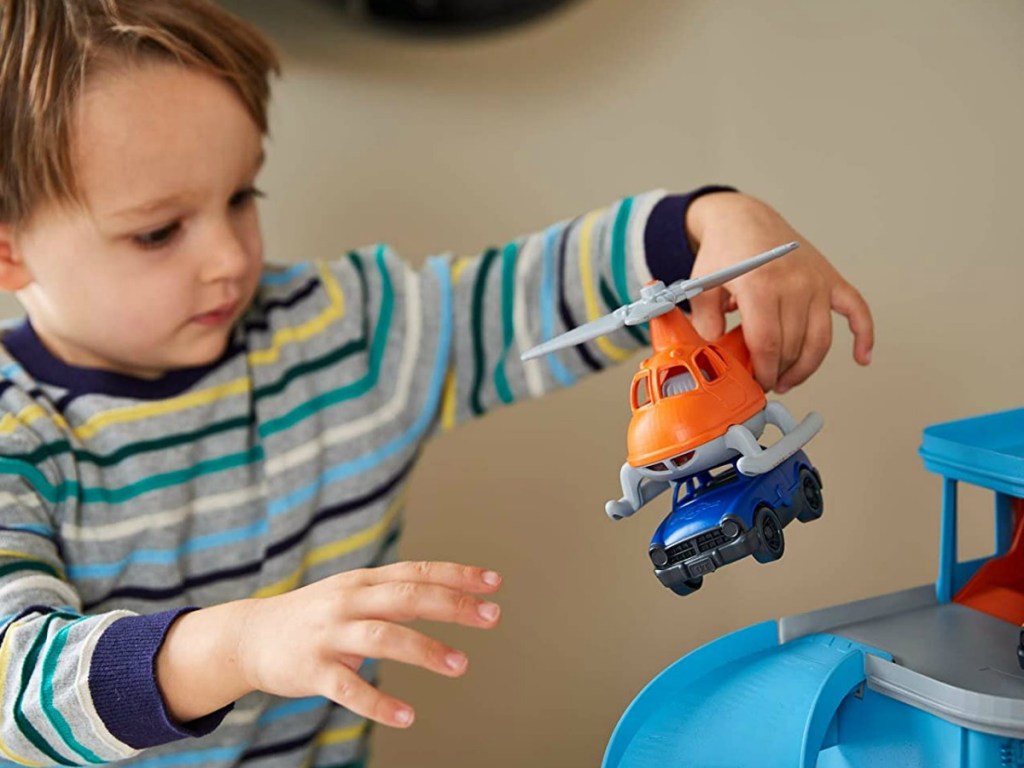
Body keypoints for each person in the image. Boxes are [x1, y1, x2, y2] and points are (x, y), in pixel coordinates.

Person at [0, 1, 873, 766]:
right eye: (158, 233)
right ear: (9, 251)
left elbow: (534, 290)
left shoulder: (345, 332)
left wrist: (713, 222)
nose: (229, 257)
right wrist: (241, 642)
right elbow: (14, 688)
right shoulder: (17, 432)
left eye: (242, 196)